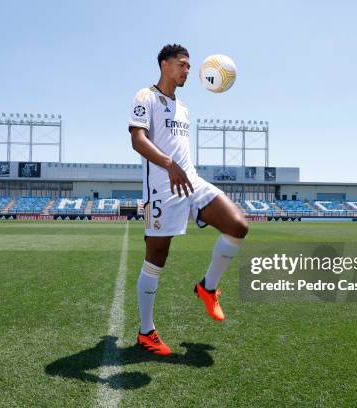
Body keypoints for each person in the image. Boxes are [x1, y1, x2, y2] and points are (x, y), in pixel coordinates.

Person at [128, 44, 248, 356]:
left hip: (189, 180)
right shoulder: (146, 97)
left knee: (237, 225)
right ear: (164, 64)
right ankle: (146, 332)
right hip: (161, 187)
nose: (186, 71)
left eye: (187, 66)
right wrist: (169, 166)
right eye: (182, 65)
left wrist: (180, 170)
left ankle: (207, 288)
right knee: (156, 259)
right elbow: (137, 140)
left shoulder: (184, 108)